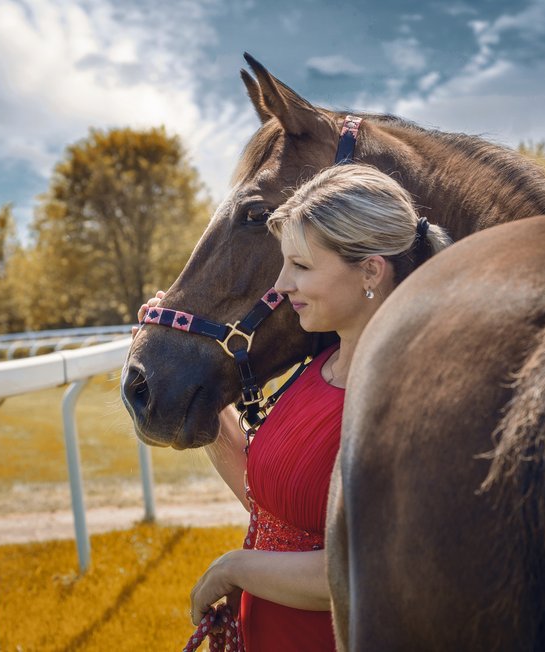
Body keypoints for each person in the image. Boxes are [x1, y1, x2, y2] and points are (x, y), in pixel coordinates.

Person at [137, 164, 451, 651]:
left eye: (301, 266)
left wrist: (235, 567)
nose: (281, 285)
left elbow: (367, 568)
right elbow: (277, 507)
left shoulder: (406, 394)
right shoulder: (321, 365)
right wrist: (176, 350)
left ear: (370, 270)